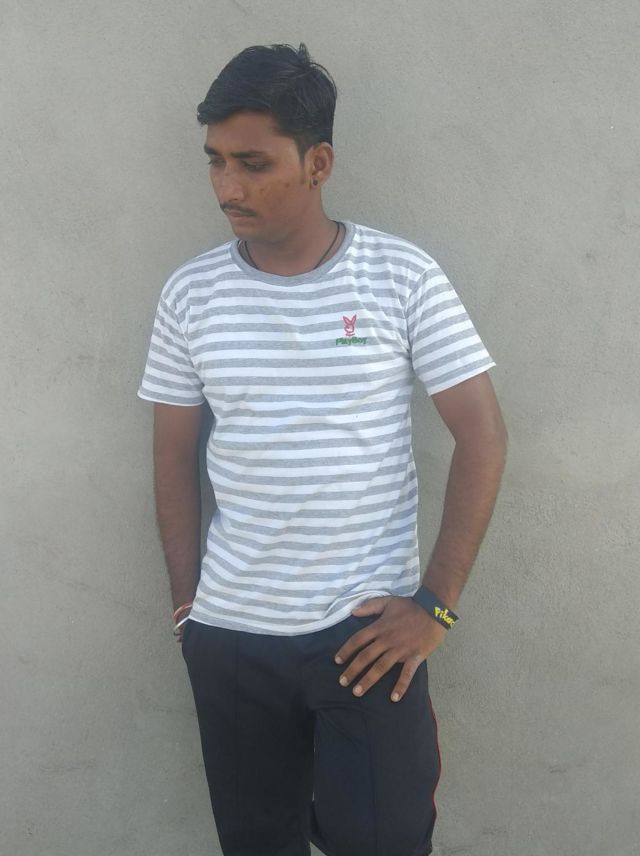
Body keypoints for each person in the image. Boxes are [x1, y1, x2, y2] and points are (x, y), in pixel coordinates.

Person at [138, 42, 507, 856]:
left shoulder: (400, 276)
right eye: (215, 162)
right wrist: (189, 610)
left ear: (318, 163)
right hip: (232, 639)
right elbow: (172, 457)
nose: (228, 187)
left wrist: (435, 606)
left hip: (367, 640)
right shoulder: (191, 294)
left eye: (253, 163)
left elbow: (483, 435)